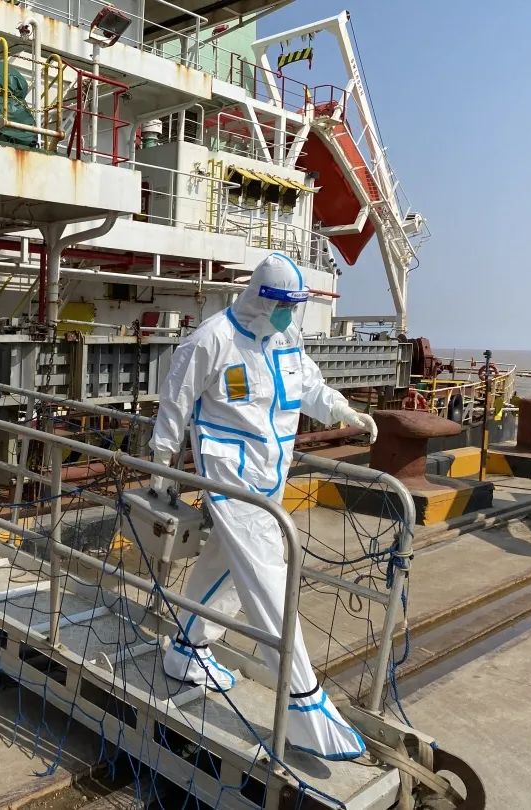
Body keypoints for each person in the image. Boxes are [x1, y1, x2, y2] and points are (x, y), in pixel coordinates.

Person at [148, 252, 377, 761]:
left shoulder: (286, 337)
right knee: (268, 577)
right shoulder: (212, 340)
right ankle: (304, 705)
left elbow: (309, 386)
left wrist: (345, 410)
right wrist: (162, 467)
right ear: (260, 299)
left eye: (294, 306)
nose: (289, 314)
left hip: (271, 475)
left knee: (228, 568)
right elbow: (175, 403)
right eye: (282, 305)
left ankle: (186, 650)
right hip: (230, 478)